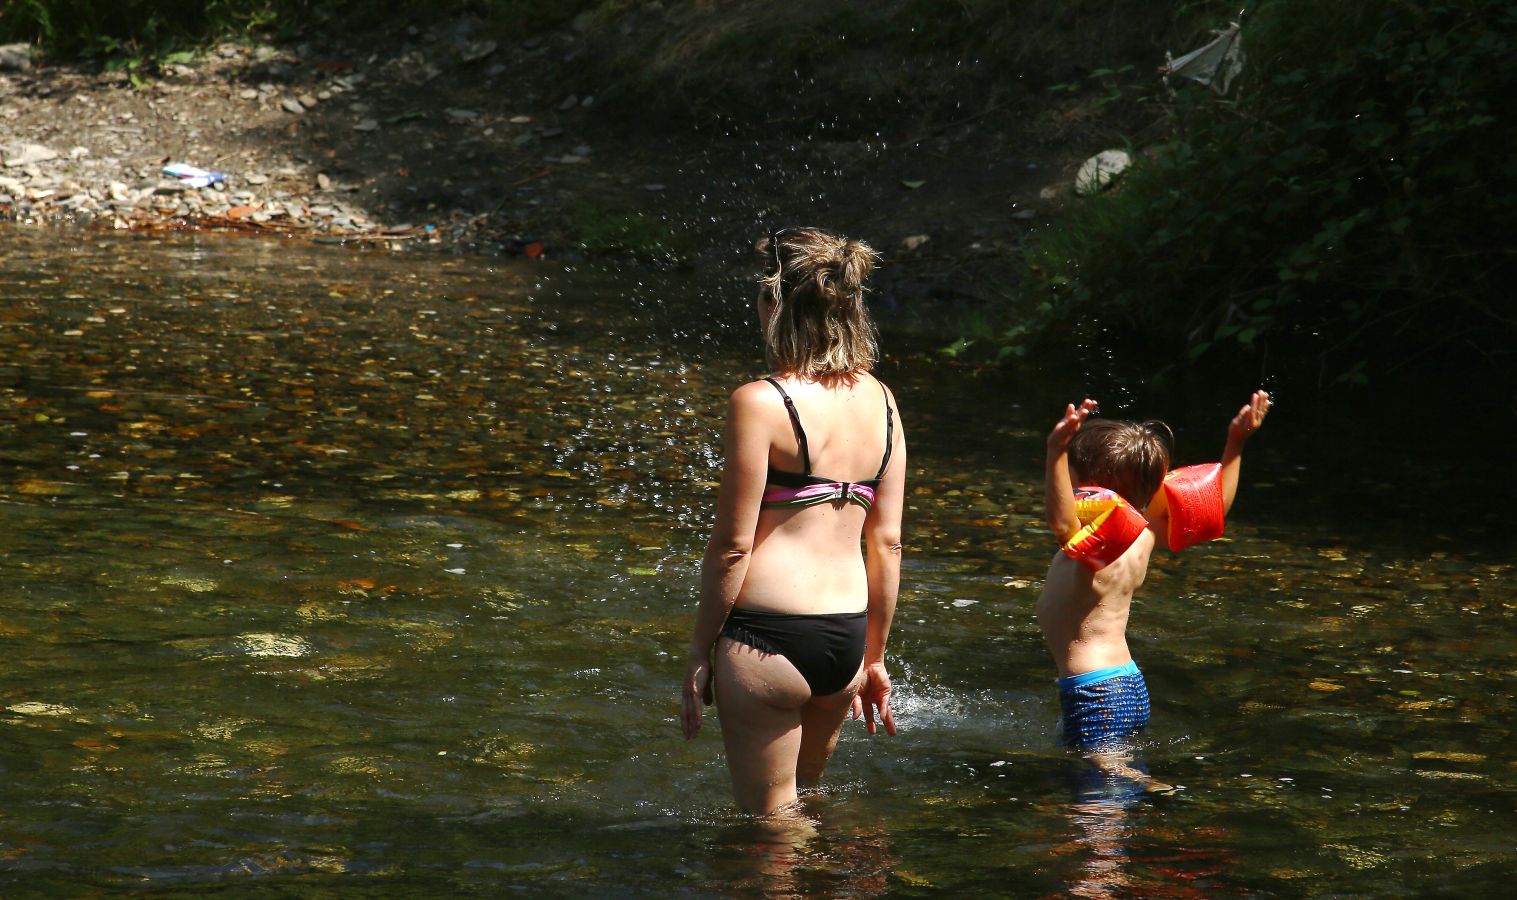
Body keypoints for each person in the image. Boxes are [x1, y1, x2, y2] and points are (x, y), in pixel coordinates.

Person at [681, 227, 904, 816]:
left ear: (774, 303)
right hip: (847, 640)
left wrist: (700, 652)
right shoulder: (882, 400)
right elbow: (889, 543)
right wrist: (874, 658)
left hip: (766, 635)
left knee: (770, 830)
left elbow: (732, 548)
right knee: (805, 807)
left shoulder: (760, 401)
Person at [1036, 391, 1270, 778]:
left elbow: (1062, 524)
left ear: (1089, 488)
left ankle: (1151, 791)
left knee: (1100, 798)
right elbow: (1211, 509)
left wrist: (1055, 450)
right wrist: (1236, 443)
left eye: (1070, 479)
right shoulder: (1143, 532)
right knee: (1087, 783)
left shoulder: (1100, 537)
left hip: (1094, 691)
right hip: (1123, 685)